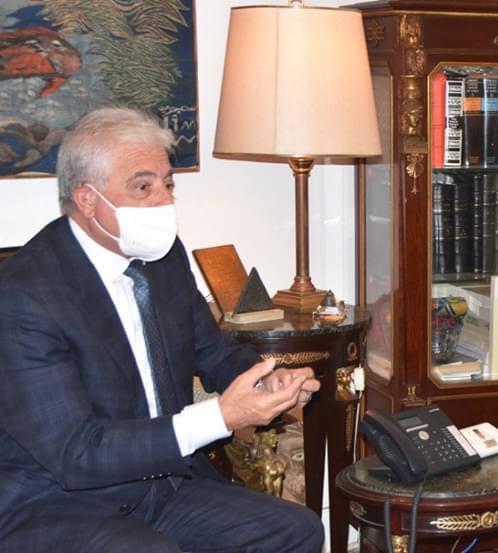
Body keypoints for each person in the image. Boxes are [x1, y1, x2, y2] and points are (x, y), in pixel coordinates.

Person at [0, 107, 325, 553]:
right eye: (143, 187)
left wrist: (266, 381)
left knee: (297, 529)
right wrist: (220, 417)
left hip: (163, 482)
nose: (164, 202)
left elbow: (213, 351)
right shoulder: (24, 296)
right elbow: (76, 453)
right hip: (58, 500)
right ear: (88, 199)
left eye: (168, 184)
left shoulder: (164, 258)